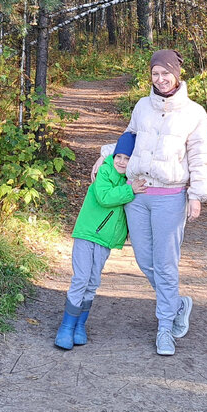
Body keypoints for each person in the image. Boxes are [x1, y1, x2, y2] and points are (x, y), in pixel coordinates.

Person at [92, 48, 207, 356]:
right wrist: (105, 156)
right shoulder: (142, 106)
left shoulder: (194, 113)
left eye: (165, 73)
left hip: (170, 198)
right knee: (145, 261)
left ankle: (164, 330)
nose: (160, 79)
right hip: (138, 195)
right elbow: (129, 138)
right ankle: (177, 303)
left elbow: (200, 156)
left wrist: (197, 194)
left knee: (166, 264)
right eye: (155, 74)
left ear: (177, 74)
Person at [56, 131, 146, 350]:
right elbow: (104, 197)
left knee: (93, 282)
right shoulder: (104, 171)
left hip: (105, 241)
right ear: (113, 156)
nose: (122, 162)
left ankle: (79, 325)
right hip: (87, 234)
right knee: (81, 278)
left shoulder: (129, 179)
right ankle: (66, 327)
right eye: (119, 157)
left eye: (127, 159)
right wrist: (129, 190)